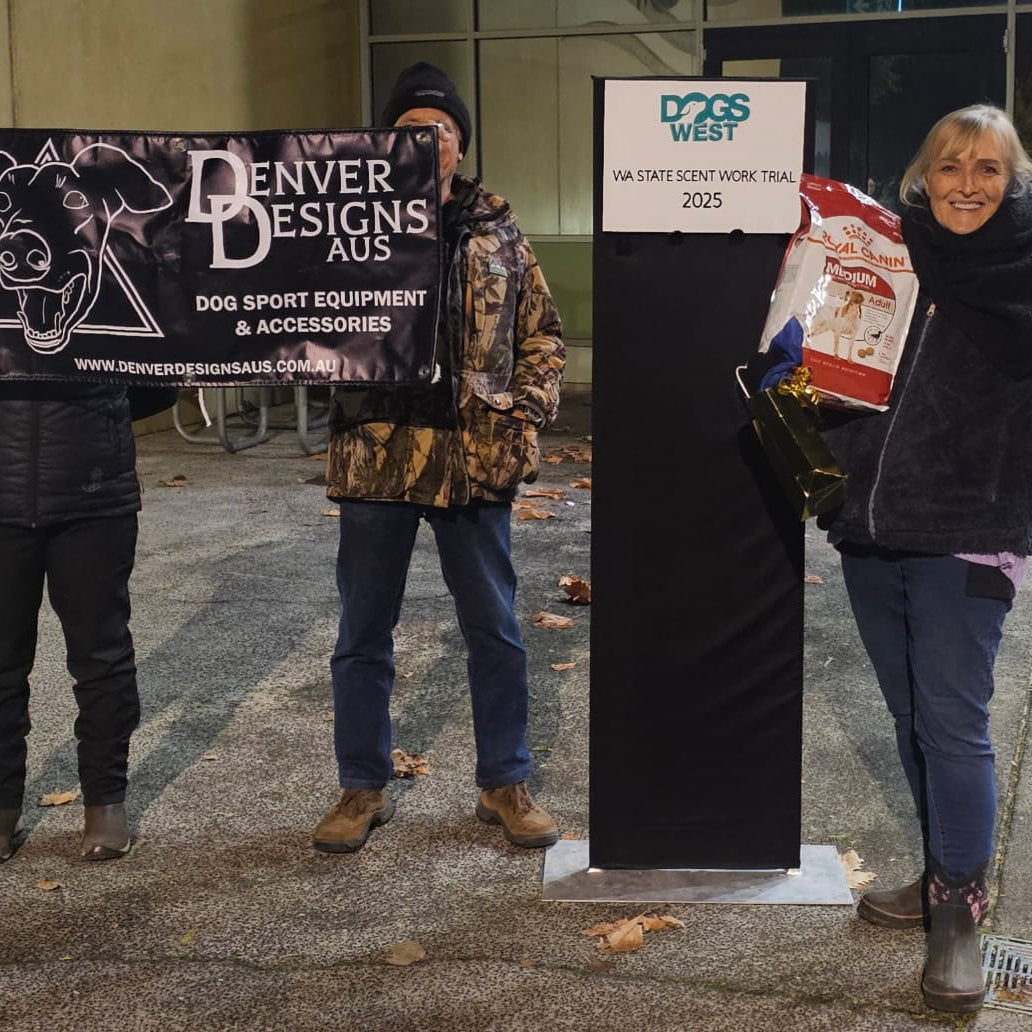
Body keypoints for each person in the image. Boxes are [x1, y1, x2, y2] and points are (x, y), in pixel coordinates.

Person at [312, 63, 565, 854]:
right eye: (414, 129)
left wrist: (522, 410)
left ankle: (505, 782)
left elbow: (543, 334)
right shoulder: (348, 224)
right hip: (377, 456)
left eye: (444, 130)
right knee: (363, 632)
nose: (432, 142)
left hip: (472, 459)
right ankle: (361, 787)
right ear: (391, 142)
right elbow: (294, 316)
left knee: (493, 628)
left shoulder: (499, 231)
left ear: (460, 144)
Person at [821, 104, 1032, 1014]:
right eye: (951, 166)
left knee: (953, 725)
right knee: (912, 718)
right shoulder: (886, 253)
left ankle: (961, 917)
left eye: (988, 168)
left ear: (1012, 179)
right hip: (873, 525)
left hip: (971, 531)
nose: (968, 185)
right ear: (924, 173)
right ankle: (941, 871)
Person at [0, 382, 176, 863]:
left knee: (102, 657)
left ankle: (106, 800)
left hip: (95, 494)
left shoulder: (111, 300)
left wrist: (99, 410)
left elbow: (156, 384)